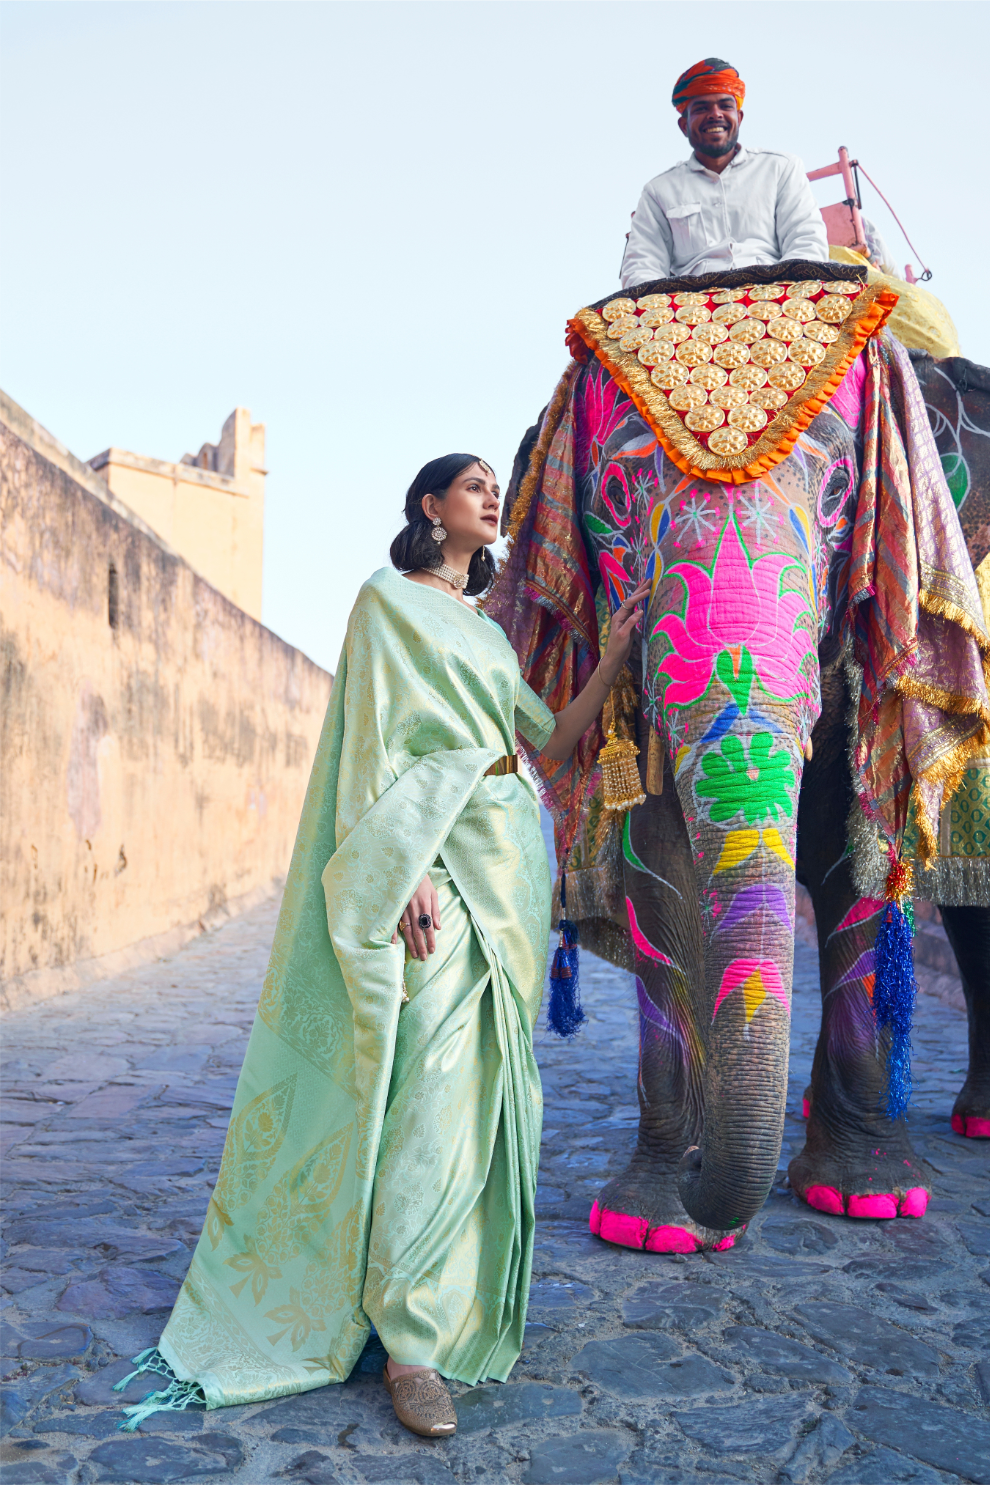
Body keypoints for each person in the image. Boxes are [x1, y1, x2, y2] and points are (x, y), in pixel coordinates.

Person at [118, 454, 649, 1441]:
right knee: (432, 1090)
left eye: (496, 486)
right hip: (436, 861)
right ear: (428, 507)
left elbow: (552, 740)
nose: (492, 498)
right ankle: (407, 1343)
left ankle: (447, 1305)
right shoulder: (384, 604)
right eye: (473, 485)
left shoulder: (484, 631)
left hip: (513, 857)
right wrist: (399, 868)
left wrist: (617, 657)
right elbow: (369, 745)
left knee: (490, 1090)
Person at [620, 57, 828, 288]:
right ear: (684, 125)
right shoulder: (659, 191)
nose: (715, 114)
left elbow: (806, 241)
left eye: (725, 106)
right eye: (701, 108)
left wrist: (783, 300)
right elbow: (641, 266)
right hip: (691, 310)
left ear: (738, 118)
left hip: (775, 297)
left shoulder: (781, 168)